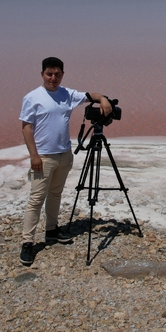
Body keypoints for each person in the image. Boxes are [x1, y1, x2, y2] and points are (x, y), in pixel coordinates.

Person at [18, 56, 112, 266]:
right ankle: (27, 242)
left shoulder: (67, 94)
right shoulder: (32, 97)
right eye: (49, 74)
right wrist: (33, 155)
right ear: (42, 74)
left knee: (55, 194)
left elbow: (91, 95)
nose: (53, 78)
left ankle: (51, 230)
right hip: (43, 156)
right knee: (36, 199)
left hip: (64, 154)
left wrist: (103, 99)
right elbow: (26, 128)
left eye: (57, 74)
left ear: (62, 75)